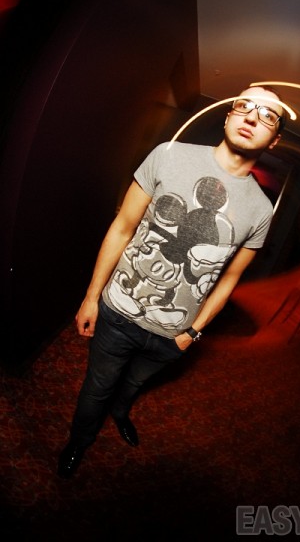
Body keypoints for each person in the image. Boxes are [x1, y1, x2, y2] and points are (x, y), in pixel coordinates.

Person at [57, 85, 287, 478]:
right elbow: (122, 227)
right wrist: (92, 297)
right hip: (119, 310)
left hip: (173, 332)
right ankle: (79, 443)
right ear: (229, 115)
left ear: (275, 139)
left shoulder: (262, 210)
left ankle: (121, 412)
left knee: (132, 385)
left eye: (267, 115)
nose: (251, 116)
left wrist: (192, 333)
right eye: (244, 106)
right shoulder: (169, 154)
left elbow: (229, 279)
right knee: (97, 387)